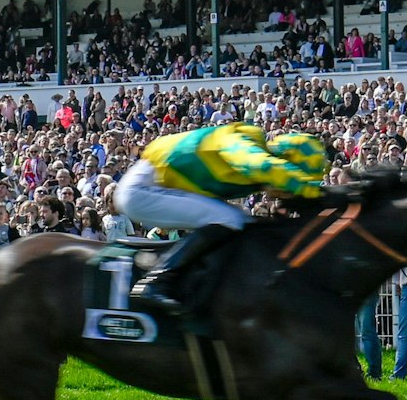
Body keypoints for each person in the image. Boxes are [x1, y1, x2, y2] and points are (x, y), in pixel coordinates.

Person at [116, 123, 329, 320]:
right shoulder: (242, 142)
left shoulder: (254, 149)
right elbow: (263, 165)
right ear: (284, 159)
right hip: (139, 191)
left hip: (154, 186)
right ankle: (155, 282)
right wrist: (311, 188)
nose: (285, 195)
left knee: (242, 220)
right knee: (231, 219)